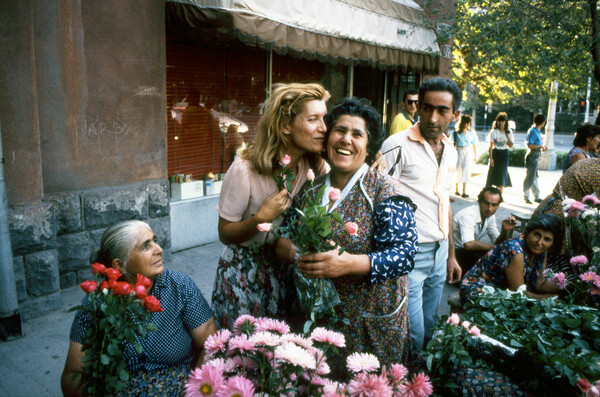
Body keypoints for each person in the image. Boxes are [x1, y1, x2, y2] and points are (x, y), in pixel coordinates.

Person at [278, 97, 418, 367]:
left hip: (371, 324)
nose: (346, 140)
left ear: (369, 146)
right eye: (340, 130)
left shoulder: (385, 190)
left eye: (357, 134)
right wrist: (298, 253)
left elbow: (404, 256)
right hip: (320, 323)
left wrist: (346, 264)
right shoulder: (310, 189)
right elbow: (283, 237)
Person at [211, 83, 331, 329]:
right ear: (285, 125)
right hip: (243, 274)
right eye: (313, 119)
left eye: (324, 118)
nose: (323, 128)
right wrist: (259, 219)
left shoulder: (314, 168)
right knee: (243, 352)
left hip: (286, 272)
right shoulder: (245, 169)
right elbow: (224, 233)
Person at [61, 220, 217, 397]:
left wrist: (193, 390)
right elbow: (73, 374)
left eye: (155, 240)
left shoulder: (179, 287)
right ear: (119, 265)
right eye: (145, 246)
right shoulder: (97, 303)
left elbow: (211, 346)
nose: (159, 249)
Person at [381, 77, 462, 350]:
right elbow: (374, 200)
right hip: (409, 253)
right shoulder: (396, 145)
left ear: (456, 115)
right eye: (426, 108)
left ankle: (422, 383)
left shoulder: (451, 151)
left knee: (429, 326)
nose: (432, 117)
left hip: (439, 253)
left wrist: (451, 254)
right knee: (411, 333)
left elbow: (445, 203)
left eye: (442, 111)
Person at [460, 214, 563, 304]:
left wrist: (567, 287)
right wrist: (547, 298)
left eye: (547, 239)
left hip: (502, 291)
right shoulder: (515, 250)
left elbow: (540, 283)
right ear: (528, 232)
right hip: (479, 290)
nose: (540, 242)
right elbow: (518, 294)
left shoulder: (541, 251)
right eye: (536, 235)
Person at [531, 157, 600, 257]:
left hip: (552, 205)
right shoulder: (597, 170)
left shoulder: (592, 162)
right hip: (562, 212)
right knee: (545, 253)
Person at [453, 186, 517, 274]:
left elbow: (497, 242)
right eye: (486, 203)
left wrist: (504, 231)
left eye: (494, 205)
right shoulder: (468, 215)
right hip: (453, 252)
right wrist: (497, 248)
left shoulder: (490, 216)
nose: (490, 208)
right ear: (479, 201)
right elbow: (469, 244)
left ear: (498, 205)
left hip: (467, 252)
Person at [485, 112, 514, 193]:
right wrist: (491, 158)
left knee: (502, 173)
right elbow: (491, 146)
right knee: (493, 172)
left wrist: (507, 135)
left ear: (505, 122)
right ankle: (489, 192)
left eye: (502, 121)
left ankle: (500, 194)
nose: (501, 123)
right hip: (496, 153)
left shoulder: (509, 132)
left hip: (504, 153)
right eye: (499, 121)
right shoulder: (493, 132)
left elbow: (511, 145)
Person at [523, 113, 547, 204]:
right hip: (533, 155)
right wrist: (540, 146)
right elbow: (530, 145)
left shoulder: (536, 131)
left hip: (536, 155)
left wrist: (540, 147)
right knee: (530, 176)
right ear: (543, 122)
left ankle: (536, 195)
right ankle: (526, 196)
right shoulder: (533, 131)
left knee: (534, 175)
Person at [452, 114, 477, 198]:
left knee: (466, 170)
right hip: (458, 151)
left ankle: (464, 191)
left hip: (467, 151)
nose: (467, 124)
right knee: (457, 169)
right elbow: (451, 144)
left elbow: (474, 144)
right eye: (466, 122)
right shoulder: (455, 133)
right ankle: (456, 189)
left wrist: (475, 156)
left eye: (468, 123)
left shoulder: (472, 133)